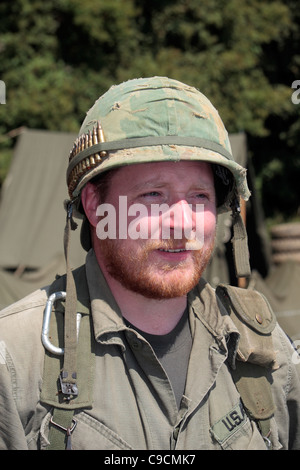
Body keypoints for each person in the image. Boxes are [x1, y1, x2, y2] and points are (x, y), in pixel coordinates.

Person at [0, 76, 299, 450]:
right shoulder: (17, 359)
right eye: (153, 195)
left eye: (199, 196)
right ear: (95, 205)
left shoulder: (262, 347)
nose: (181, 222)